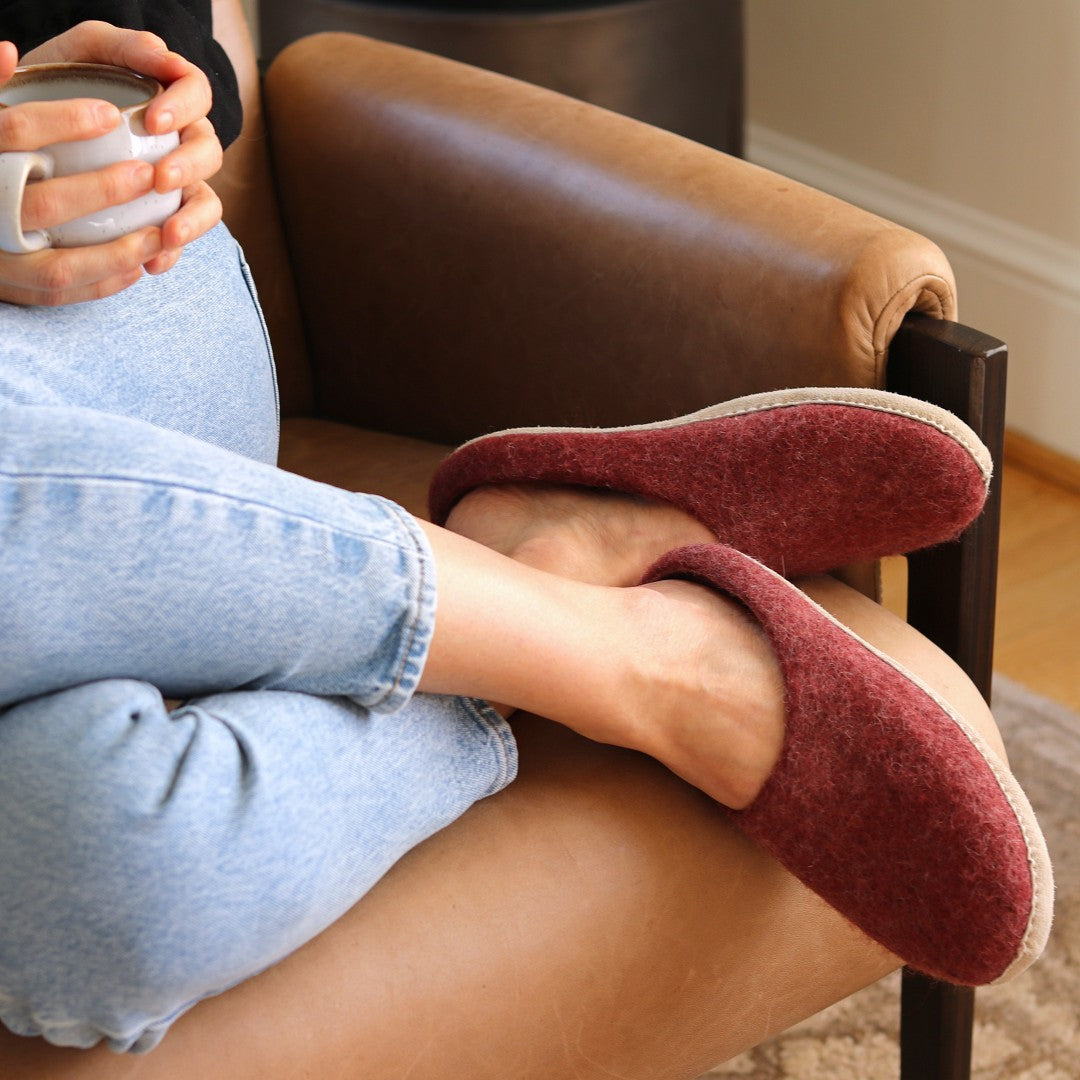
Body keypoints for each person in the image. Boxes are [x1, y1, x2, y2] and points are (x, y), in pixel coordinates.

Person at [0, 1, 1051, 1074]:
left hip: (90, 309)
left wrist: (137, 90)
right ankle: (536, 598)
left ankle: (647, 666)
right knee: (93, 881)